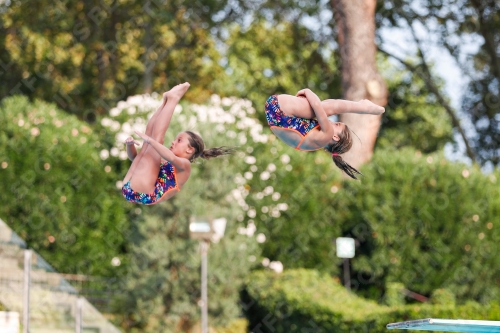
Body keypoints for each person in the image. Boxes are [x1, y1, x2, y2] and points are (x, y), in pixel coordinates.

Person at [121, 82, 232, 205]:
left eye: (179, 140)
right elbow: (135, 159)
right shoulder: (167, 165)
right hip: (130, 188)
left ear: (189, 150)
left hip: (145, 194)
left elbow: (170, 156)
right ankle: (166, 101)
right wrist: (130, 145)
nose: (173, 142)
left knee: (155, 140)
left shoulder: (185, 166)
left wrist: (151, 141)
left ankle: (173, 99)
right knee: (149, 142)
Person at [264, 89, 385, 179]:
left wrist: (307, 91)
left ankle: (363, 108)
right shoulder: (316, 143)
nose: (333, 123)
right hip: (274, 117)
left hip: (279, 109)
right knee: (325, 106)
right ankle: (362, 106)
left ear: (335, 137)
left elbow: (317, 105)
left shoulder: (327, 135)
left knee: (326, 108)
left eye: (337, 125)